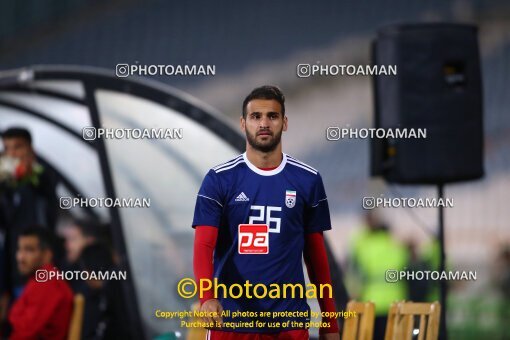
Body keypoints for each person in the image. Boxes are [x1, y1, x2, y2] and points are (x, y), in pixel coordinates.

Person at [192, 85, 340, 339]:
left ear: (284, 123)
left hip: (288, 322)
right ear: (243, 123)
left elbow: (316, 256)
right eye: (255, 116)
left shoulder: (308, 180)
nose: (264, 123)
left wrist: (330, 320)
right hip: (232, 321)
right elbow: (204, 245)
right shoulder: (219, 180)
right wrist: (206, 298)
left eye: (272, 116)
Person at [0, 127, 58, 300]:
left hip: (37, 271)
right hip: (12, 270)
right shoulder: (7, 184)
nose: (12, 154)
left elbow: (45, 185)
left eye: (17, 147)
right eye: (7, 148)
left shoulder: (41, 175)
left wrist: (28, 171)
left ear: (30, 149)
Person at [347, 211, 408, 340]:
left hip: (371, 301)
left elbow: (355, 271)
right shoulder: (396, 246)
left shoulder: (364, 245)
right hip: (396, 301)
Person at [7, 227, 73, 339]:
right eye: (19, 249)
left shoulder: (47, 282)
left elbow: (25, 331)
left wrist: (14, 316)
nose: (20, 257)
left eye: (29, 250)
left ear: (47, 255)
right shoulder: (42, 278)